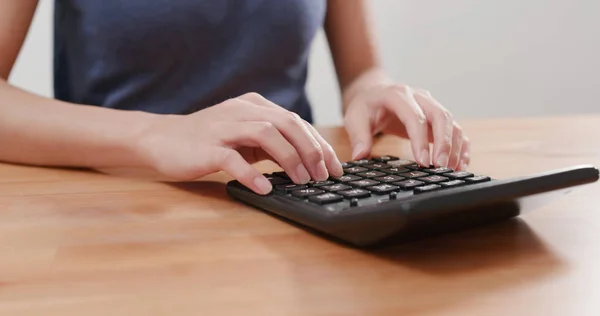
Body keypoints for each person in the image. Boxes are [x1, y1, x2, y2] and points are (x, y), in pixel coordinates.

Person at [0, 0, 469, 195]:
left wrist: (374, 92)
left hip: (294, 195)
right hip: (122, 201)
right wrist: (159, 134)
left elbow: (361, 71)